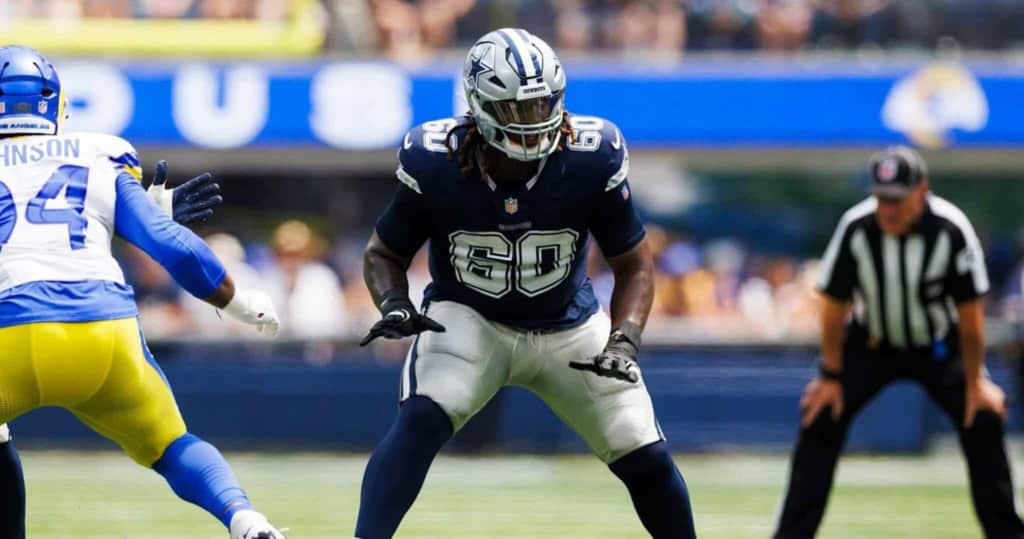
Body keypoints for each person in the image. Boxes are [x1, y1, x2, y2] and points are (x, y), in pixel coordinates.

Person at [355, 28, 696, 539]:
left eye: (543, 105)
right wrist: (394, 302)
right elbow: (384, 253)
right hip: (468, 318)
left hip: (569, 325)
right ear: (478, 107)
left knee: (644, 451)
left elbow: (635, 264)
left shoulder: (592, 153)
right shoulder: (434, 159)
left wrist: (624, 340)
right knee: (420, 422)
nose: (536, 122)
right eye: (518, 109)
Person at [0, 45, 285, 539]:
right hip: (103, 335)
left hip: (11, 335)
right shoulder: (96, 153)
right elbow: (171, 246)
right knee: (172, 444)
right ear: (57, 104)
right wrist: (238, 302)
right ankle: (247, 521)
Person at [773, 146, 1024, 539]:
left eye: (896, 199)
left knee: (984, 419)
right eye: (881, 198)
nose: (887, 209)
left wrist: (977, 383)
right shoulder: (857, 227)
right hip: (872, 342)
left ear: (921, 192)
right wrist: (830, 375)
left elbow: (970, 315)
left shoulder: (950, 228)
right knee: (820, 416)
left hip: (939, 346)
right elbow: (834, 306)